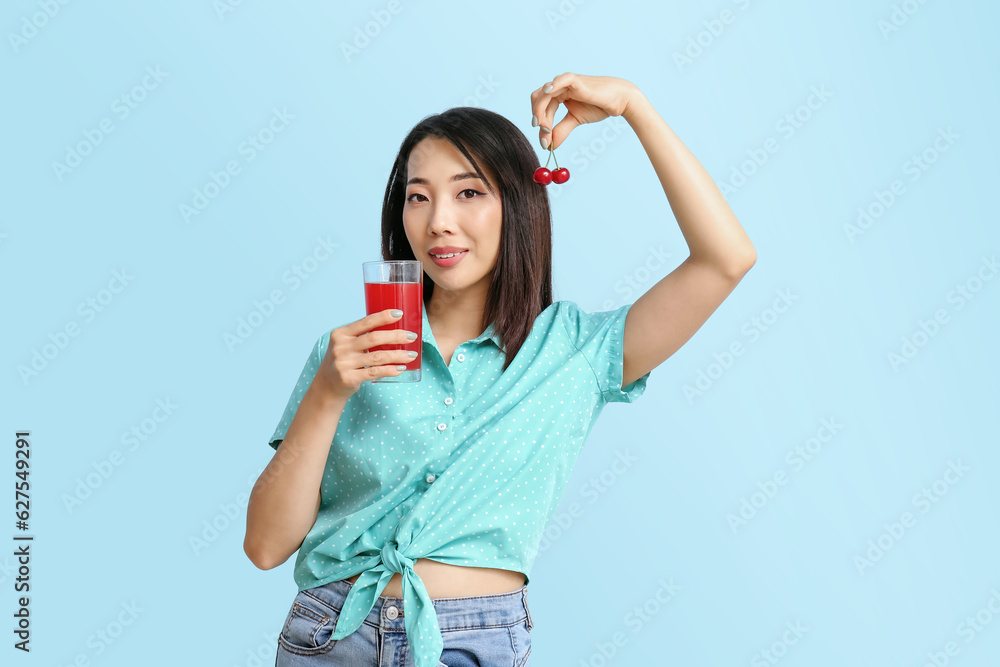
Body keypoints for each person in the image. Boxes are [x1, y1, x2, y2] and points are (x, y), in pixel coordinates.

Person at [244, 72, 756, 667]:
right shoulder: (349, 353)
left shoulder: (574, 351)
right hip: (328, 632)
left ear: (519, 204)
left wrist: (634, 107)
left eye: (469, 192)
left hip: (472, 639)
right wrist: (328, 394)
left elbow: (726, 259)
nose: (438, 220)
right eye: (418, 195)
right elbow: (264, 546)